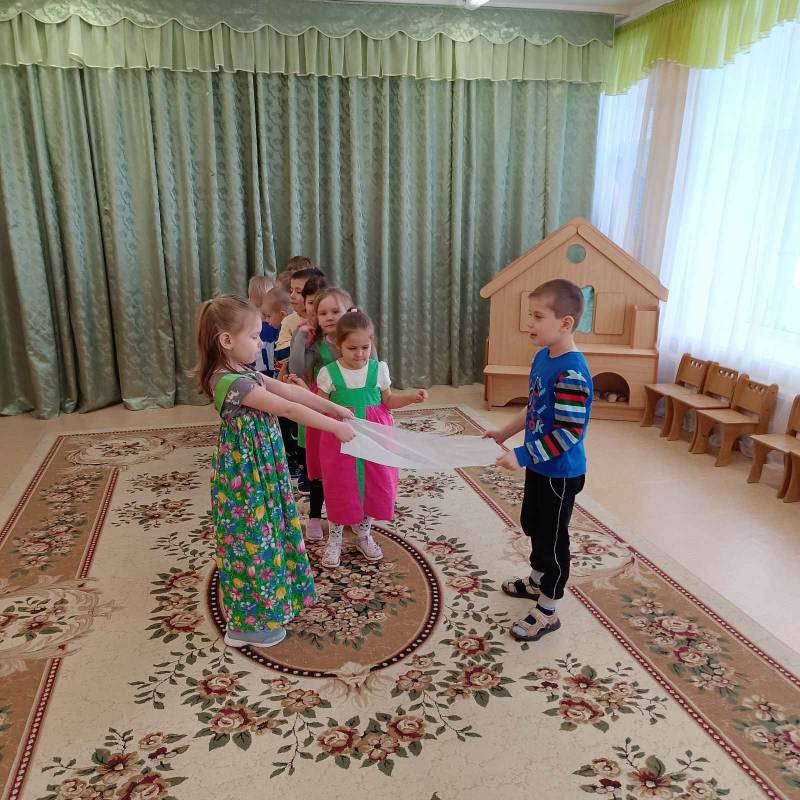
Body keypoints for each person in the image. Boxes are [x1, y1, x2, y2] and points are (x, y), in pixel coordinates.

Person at [195, 294, 355, 648]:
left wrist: (334, 408)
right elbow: (287, 408)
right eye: (254, 336)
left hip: (261, 469)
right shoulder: (229, 382)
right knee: (252, 541)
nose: (260, 342)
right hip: (245, 477)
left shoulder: (242, 371)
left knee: (271, 530)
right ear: (227, 340)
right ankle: (246, 627)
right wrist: (334, 427)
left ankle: (273, 602)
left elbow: (289, 392)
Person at [484, 279, 592, 643]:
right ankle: (536, 581)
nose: (529, 323)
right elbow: (534, 409)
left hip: (560, 474)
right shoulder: (543, 357)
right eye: (530, 315)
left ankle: (548, 609)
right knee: (532, 523)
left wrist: (523, 454)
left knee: (552, 540)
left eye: (537, 316)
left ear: (565, 323)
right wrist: (504, 433)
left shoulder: (572, 373)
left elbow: (568, 433)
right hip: (540, 466)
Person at [316, 309, 427, 568]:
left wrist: (411, 397)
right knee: (340, 487)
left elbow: (388, 401)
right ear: (338, 345)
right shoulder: (328, 373)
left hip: (375, 438)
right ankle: (335, 538)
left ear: (372, 343)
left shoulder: (379, 370)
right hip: (340, 441)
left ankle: (364, 534)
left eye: (365, 347)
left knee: (373, 484)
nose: (359, 354)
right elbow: (319, 407)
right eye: (352, 348)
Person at [288, 287, 356, 542]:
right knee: (319, 471)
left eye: (336, 311)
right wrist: (299, 336)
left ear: (349, 312)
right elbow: (296, 369)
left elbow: (372, 364)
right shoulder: (315, 344)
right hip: (320, 412)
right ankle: (315, 517)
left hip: (349, 412)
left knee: (348, 469)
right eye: (323, 313)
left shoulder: (356, 340)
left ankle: (351, 513)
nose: (329, 317)